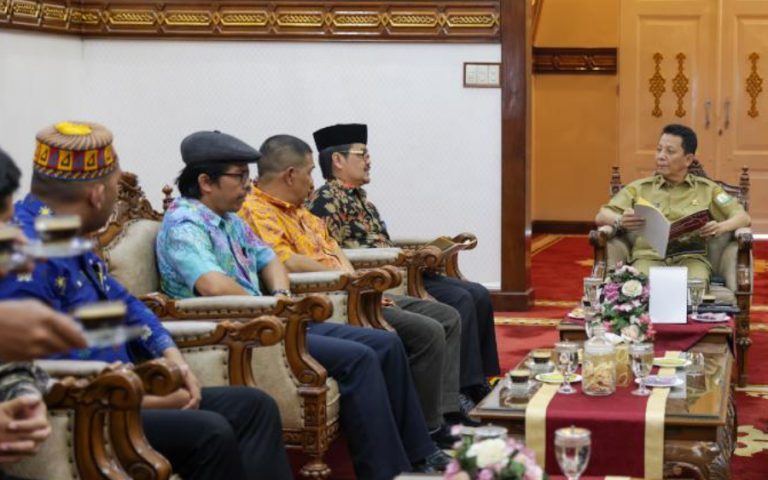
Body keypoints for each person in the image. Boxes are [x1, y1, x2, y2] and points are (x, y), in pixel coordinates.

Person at [0, 122, 292, 480]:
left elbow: (129, 306)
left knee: (254, 406)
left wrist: (172, 359)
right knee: (210, 432)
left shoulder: (63, 235)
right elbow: (38, 374)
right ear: (95, 193)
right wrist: (149, 398)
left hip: (128, 389)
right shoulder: (26, 255)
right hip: (92, 414)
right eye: (113, 186)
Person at [155, 130, 450, 479]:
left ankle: (418, 451)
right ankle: (383, 471)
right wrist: (262, 307)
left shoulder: (230, 220)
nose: (248, 187)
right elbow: (211, 284)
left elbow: (270, 260)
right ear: (205, 181)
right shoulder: (184, 224)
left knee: (385, 342)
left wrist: (279, 298)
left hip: (274, 318)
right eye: (239, 178)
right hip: (237, 330)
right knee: (360, 357)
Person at [240, 134, 470, 438]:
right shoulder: (257, 211)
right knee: (426, 331)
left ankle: (445, 410)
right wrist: (348, 284)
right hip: (326, 301)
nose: (313, 180)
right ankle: (428, 429)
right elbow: (286, 261)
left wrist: (358, 284)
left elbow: (336, 250)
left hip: (352, 292)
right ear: (290, 174)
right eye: (309, 171)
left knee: (446, 315)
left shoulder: (300, 211)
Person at [307, 124, 500, 405]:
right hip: (381, 278)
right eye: (362, 154)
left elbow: (381, 241)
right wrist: (401, 260)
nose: (369, 160)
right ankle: (461, 389)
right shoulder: (325, 201)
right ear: (338, 160)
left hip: (402, 271)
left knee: (478, 293)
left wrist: (425, 252)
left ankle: (479, 379)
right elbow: (332, 253)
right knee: (460, 299)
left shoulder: (362, 200)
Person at [595, 124, 751, 282]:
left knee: (695, 288)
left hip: (691, 259)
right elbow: (602, 215)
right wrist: (620, 220)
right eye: (659, 149)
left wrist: (720, 227)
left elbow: (742, 217)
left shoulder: (708, 189)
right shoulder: (639, 188)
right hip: (648, 258)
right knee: (641, 289)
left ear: (688, 159)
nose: (661, 156)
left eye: (669, 151)